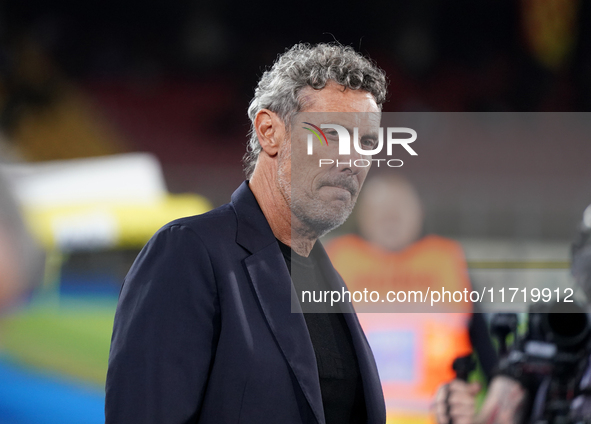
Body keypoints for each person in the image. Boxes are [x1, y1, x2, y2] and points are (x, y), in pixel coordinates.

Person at [105, 43, 388, 424]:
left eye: (367, 142)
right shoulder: (188, 252)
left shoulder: (329, 280)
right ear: (269, 132)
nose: (352, 160)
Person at [327, 175, 497, 423]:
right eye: (381, 210)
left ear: (419, 212)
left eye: (399, 209)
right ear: (360, 214)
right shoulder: (335, 263)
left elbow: (486, 351)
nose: (391, 218)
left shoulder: (448, 262)